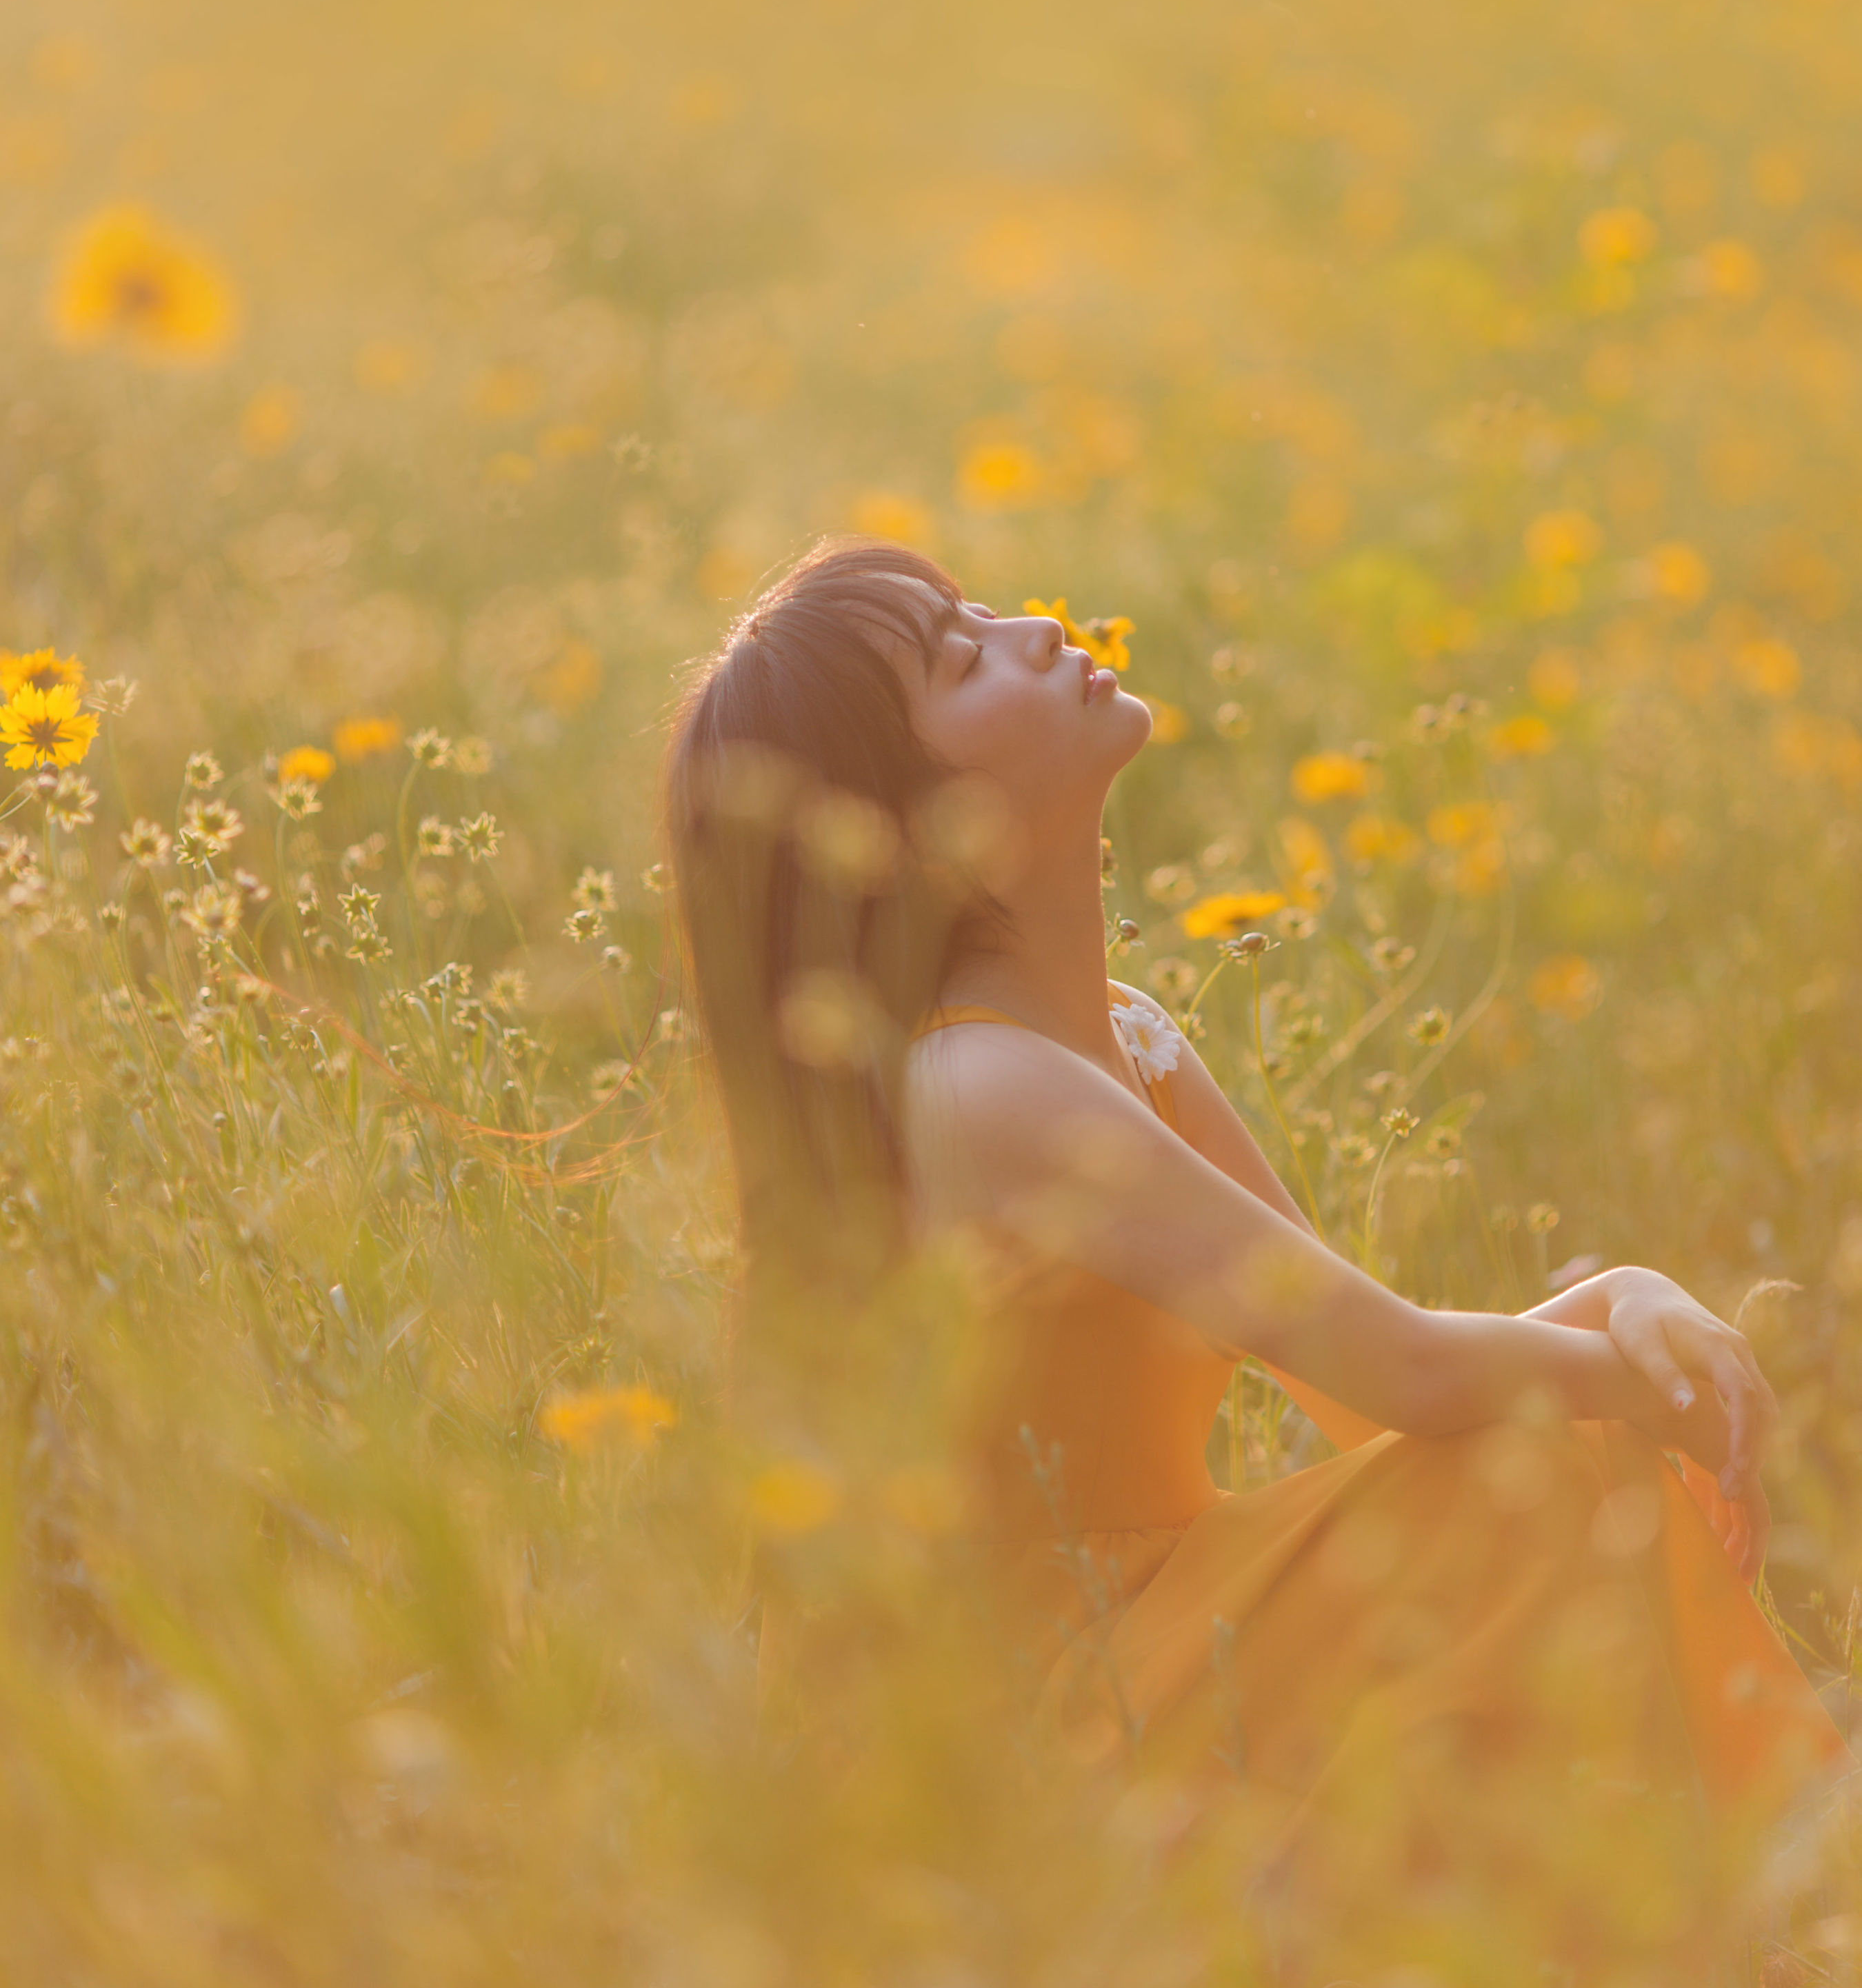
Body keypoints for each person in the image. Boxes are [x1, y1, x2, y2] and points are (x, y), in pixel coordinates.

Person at [665, 536, 1850, 1885]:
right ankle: (1766, 1894)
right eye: (958, 654)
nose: (1032, 628)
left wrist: (1623, 1300)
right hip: (1042, 1731)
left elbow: (1362, 1384)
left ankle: (1701, 1902)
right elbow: (1404, 1372)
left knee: (1535, 1460)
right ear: (911, 831)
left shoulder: (1122, 1036)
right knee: (1565, 1465)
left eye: (982, 607)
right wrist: (1636, 1387)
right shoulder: (977, 1082)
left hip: (1178, 1626)